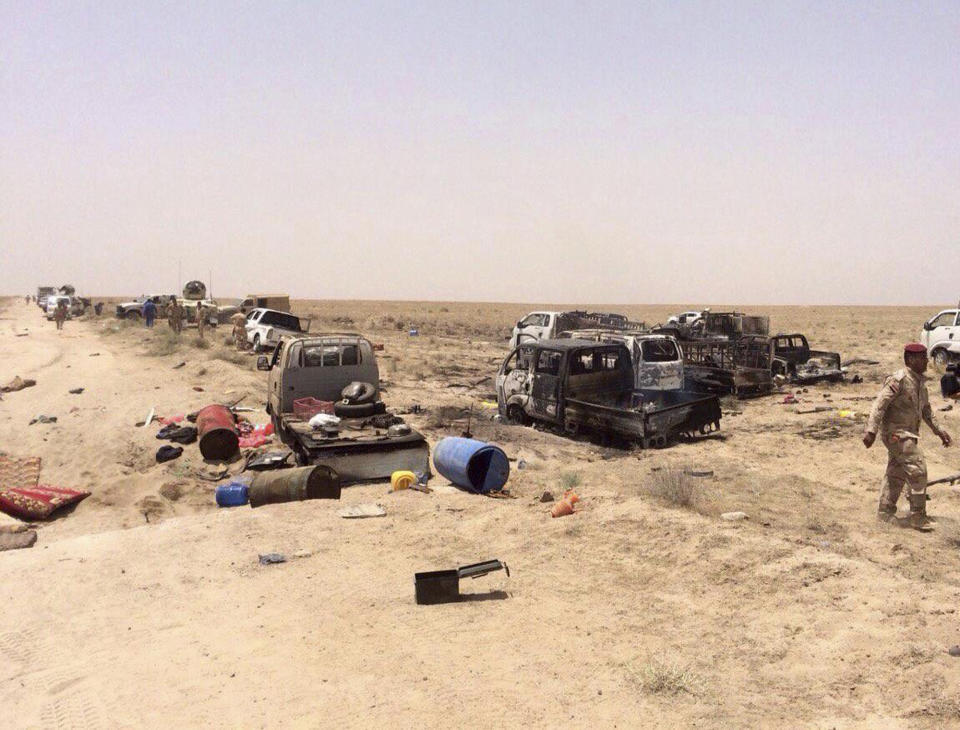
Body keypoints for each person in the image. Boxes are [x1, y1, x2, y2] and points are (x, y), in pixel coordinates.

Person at [864, 343, 953, 531]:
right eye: (922, 357)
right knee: (917, 468)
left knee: (896, 473)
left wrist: (939, 431)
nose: (926, 361)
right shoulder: (899, 380)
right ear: (911, 359)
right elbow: (879, 405)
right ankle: (918, 516)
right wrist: (871, 430)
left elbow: (927, 411)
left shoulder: (920, 383)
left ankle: (885, 512)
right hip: (896, 434)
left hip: (909, 434)